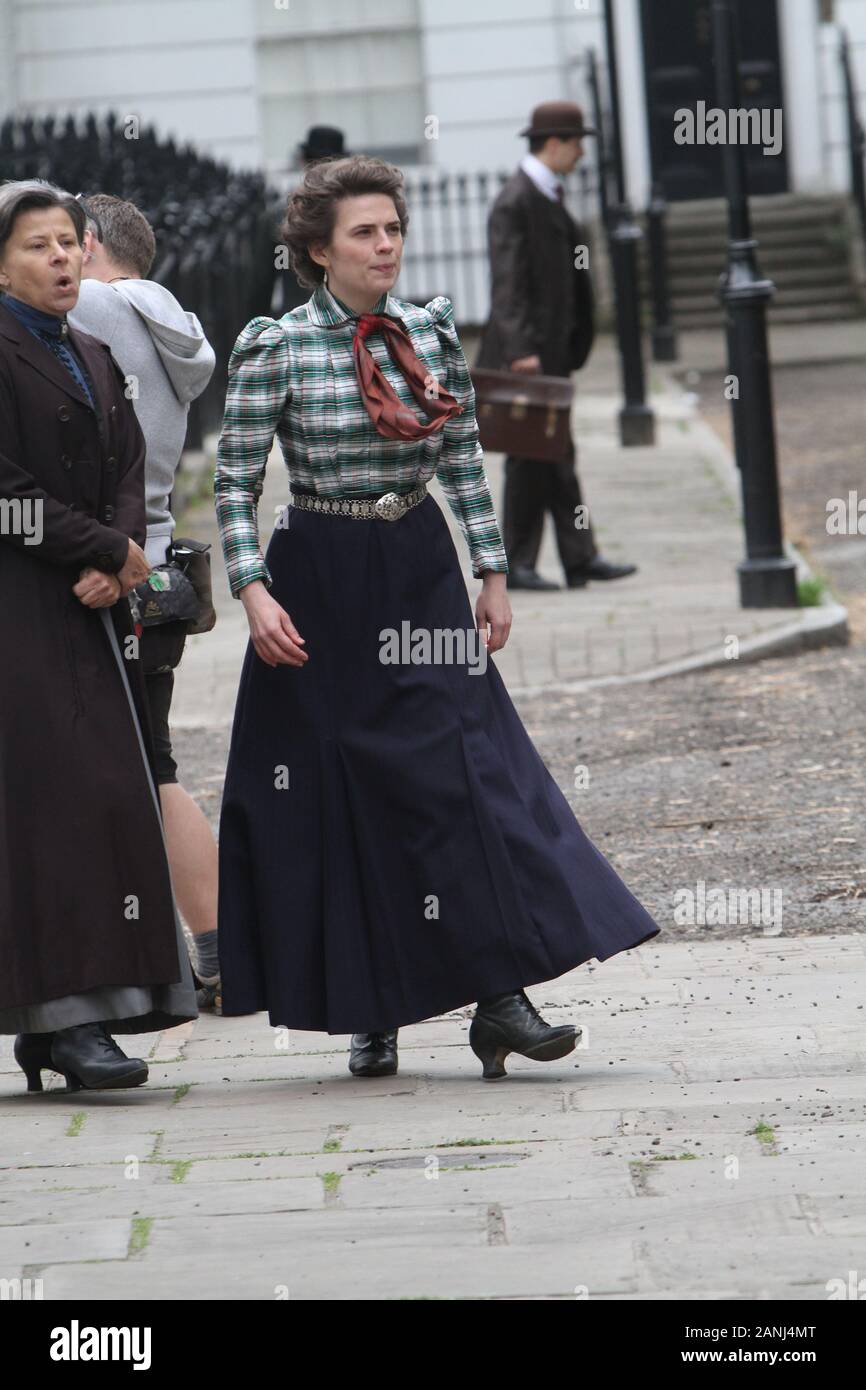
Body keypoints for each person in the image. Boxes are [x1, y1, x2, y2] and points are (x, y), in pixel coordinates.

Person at [214, 154, 660, 1082]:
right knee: (346, 792)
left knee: (463, 774)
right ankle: (368, 1006)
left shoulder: (430, 332)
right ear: (316, 250)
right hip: (320, 580)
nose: (386, 247)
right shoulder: (277, 347)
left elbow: (462, 458)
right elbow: (233, 483)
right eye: (364, 234)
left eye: (393, 229)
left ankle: (501, 997)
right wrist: (253, 591)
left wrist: (492, 570)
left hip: (418, 569)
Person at [0, 179, 197, 1092]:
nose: (63, 258)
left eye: (70, 243)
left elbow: (129, 456)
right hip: (22, 609)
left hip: (96, 605)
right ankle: (67, 1020)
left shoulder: (88, 346)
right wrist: (103, 546)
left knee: (113, 794)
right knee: (58, 808)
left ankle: (80, 1017)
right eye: (39, 246)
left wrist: (121, 554)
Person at [68, 193, 222, 1012]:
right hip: (160, 567)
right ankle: (223, 947)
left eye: (59, 242)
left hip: (105, 568)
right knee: (154, 765)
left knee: (128, 771)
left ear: (86, 244)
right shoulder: (171, 324)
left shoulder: (95, 306)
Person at [477, 100, 638, 592]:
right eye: (577, 142)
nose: (582, 152)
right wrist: (522, 349)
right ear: (553, 143)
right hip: (528, 356)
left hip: (549, 352)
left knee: (556, 457)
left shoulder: (544, 195)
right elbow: (508, 285)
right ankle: (517, 565)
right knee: (533, 457)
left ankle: (578, 556)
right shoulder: (515, 202)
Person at [271, 126, 349, 317]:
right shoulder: (359, 214)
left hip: (297, 325)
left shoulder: (278, 216)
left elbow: (262, 283)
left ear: (303, 161)